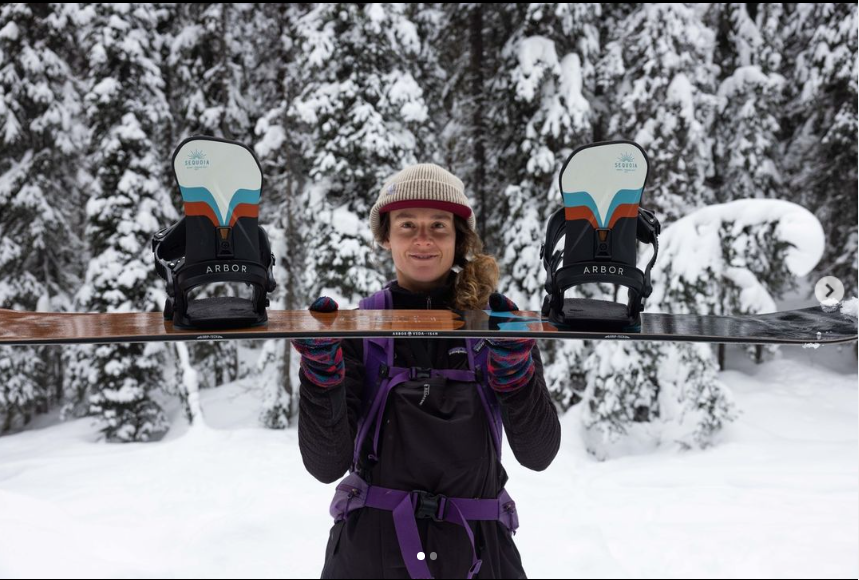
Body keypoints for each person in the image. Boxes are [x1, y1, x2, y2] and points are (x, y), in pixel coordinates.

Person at [291, 163, 561, 579]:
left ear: (459, 239)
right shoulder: (358, 328)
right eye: (407, 225)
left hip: (479, 552)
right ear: (385, 237)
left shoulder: (498, 327)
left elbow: (539, 454)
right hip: (370, 555)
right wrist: (321, 373)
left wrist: (514, 374)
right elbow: (326, 464)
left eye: (439, 226)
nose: (423, 240)